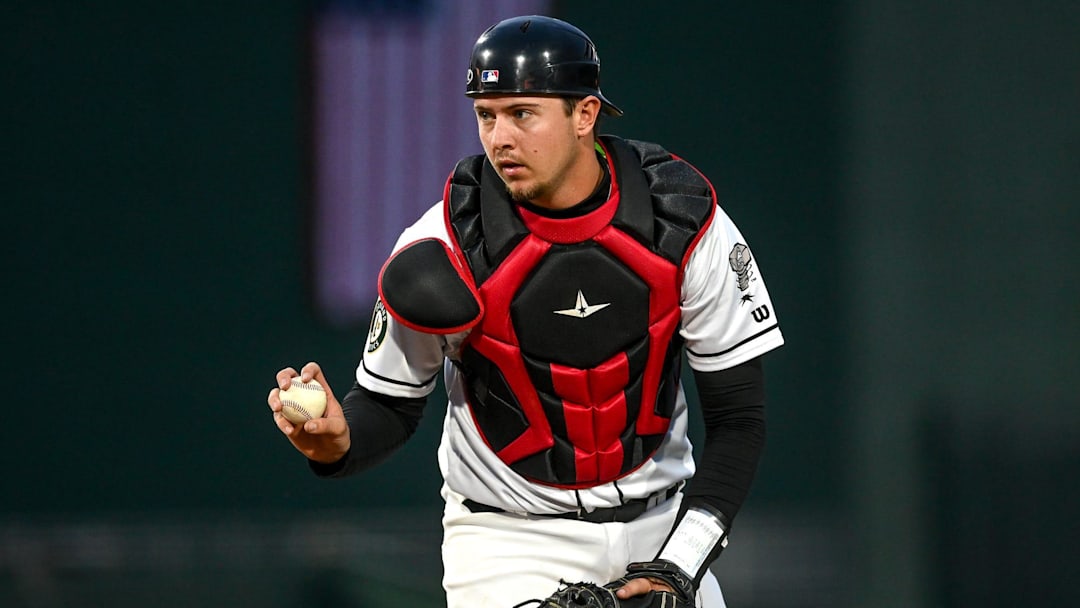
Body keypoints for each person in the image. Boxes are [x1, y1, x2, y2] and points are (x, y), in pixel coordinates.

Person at [268, 15, 783, 608]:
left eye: (522, 113)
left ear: (585, 115)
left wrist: (679, 563)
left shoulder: (685, 223)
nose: (499, 138)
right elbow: (388, 406)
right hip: (509, 544)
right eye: (486, 115)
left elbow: (740, 419)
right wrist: (335, 441)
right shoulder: (440, 249)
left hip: (664, 529)